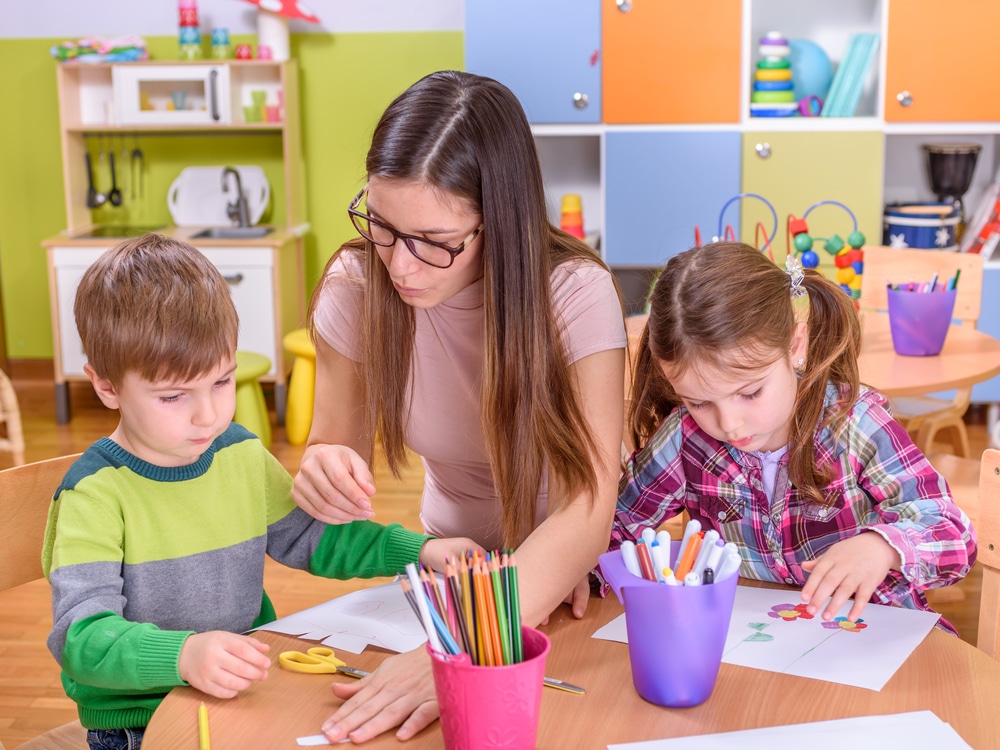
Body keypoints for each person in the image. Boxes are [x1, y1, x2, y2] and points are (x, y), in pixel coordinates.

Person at [291, 70, 627, 742]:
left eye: (435, 241)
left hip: (564, 581)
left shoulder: (575, 295)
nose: (402, 266)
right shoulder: (357, 287)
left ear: (499, 221)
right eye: (382, 226)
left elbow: (586, 506)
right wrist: (323, 472)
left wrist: (462, 648)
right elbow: (334, 452)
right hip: (447, 573)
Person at [42, 234, 476, 749]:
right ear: (107, 386)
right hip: (138, 720)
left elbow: (315, 538)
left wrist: (420, 550)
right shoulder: (92, 496)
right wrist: (182, 656)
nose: (209, 415)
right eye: (174, 395)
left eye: (222, 382)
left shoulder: (239, 454)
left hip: (243, 691)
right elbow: (81, 638)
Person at [612, 241, 976, 632]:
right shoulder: (685, 439)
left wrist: (883, 547)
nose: (730, 424)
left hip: (880, 639)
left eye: (750, 393)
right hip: (759, 649)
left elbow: (953, 534)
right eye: (700, 403)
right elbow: (615, 527)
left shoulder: (854, 423)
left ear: (795, 346)